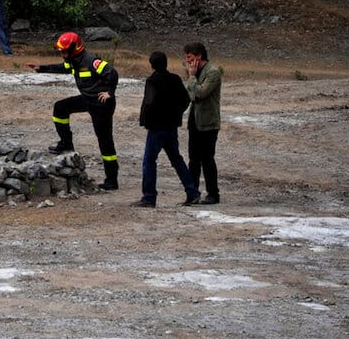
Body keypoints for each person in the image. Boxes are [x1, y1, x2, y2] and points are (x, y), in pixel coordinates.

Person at [26, 32, 120, 190]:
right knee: (60, 108)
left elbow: (112, 73)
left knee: (105, 141)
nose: (62, 55)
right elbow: (63, 68)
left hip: (101, 104)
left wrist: (109, 92)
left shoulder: (90, 60)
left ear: (74, 48)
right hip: (87, 99)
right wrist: (41, 68)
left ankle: (112, 179)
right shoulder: (73, 60)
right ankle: (66, 143)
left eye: (64, 51)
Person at [132, 51, 201, 208]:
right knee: (176, 159)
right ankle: (192, 191)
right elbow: (185, 99)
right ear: (166, 63)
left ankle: (149, 197)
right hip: (171, 126)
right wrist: (176, 114)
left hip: (156, 127)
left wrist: (146, 121)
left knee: (149, 161)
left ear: (151, 65)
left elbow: (148, 103)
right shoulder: (175, 79)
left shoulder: (152, 81)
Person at [184, 41, 223, 204]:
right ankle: (193, 193)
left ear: (199, 56)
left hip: (208, 122)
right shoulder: (196, 72)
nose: (187, 61)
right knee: (193, 158)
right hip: (194, 120)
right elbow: (191, 94)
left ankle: (213, 193)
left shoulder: (212, 72)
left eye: (190, 57)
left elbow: (201, 93)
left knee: (207, 158)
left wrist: (192, 78)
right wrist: (193, 82)